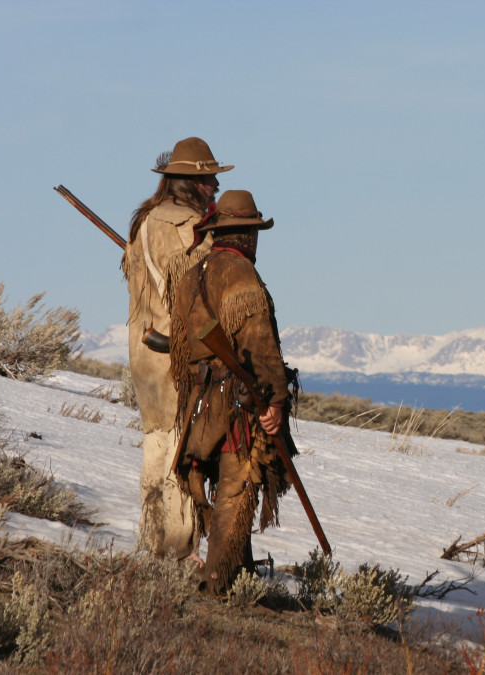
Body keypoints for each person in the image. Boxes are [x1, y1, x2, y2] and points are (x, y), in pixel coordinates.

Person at [168, 189, 296, 595]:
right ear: (246, 234)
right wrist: (276, 400)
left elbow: (181, 351)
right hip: (239, 405)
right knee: (235, 495)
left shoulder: (191, 276)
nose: (256, 240)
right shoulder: (242, 275)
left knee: (226, 492)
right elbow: (260, 344)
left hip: (199, 406)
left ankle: (238, 578)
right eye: (253, 232)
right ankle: (218, 586)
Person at [123, 136, 232, 559]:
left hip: (144, 357)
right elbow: (200, 290)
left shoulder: (146, 223)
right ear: (189, 183)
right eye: (208, 181)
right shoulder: (184, 226)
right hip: (177, 357)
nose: (214, 188)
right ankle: (176, 551)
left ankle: (153, 546)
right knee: (180, 454)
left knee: (157, 445)